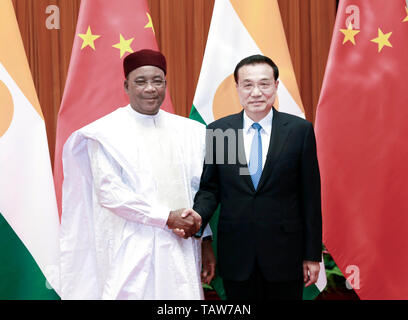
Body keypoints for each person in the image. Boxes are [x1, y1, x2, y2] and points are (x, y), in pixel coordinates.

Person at [59, 49, 215, 300]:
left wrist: (204, 241)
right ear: (126, 85)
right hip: (132, 247)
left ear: (165, 84)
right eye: (140, 81)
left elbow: (198, 190)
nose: (150, 88)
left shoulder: (191, 132)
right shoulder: (106, 132)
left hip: (182, 245)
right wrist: (166, 217)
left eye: (157, 81)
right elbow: (110, 193)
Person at [191, 54, 322, 300]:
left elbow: (310, 197)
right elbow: (211, 189)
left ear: (276, 86)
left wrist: (312, 255)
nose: (256, 92)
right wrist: (197, 215)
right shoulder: (222, 132)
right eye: (248, 84)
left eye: (264, 83)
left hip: (285, 255)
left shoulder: (298, 131)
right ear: (237, 88)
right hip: (237, 255)